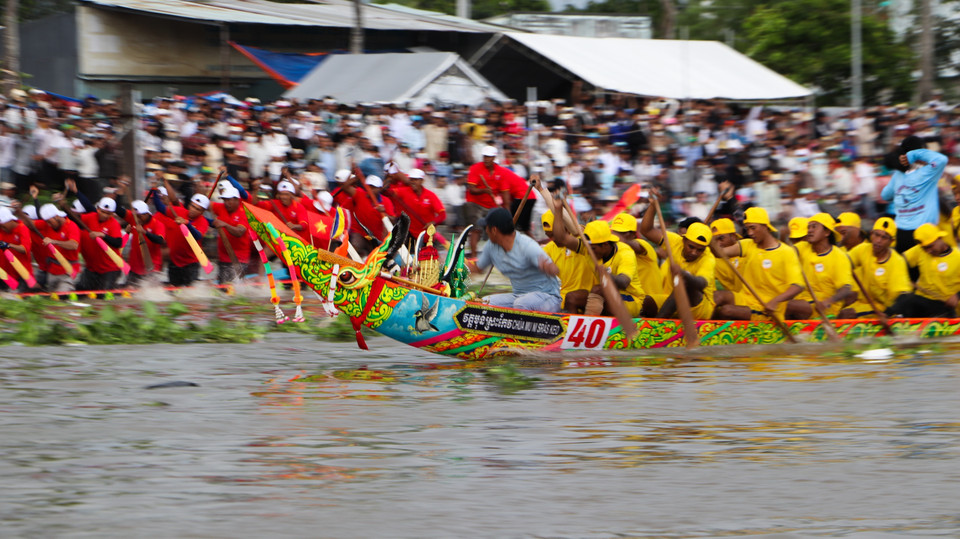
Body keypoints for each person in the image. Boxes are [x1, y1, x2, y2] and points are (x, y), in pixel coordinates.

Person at [714, 207, 805, 320]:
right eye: (747, 229)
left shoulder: (786, 252)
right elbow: (720, 253)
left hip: (766, 307)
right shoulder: (748, 244)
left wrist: (775, 301)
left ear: (765, 226)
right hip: (745, 298)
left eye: (753, 228)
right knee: (717, 296)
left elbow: (798, 286)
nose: (750, 233)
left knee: (726, 311)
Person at [466, 207, 561, 312]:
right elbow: (477, 269)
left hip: (548, 298)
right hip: (519, 296)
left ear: (494, 230)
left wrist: (549, 267)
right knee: (484, 302)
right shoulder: (491, 247)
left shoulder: (527, 246)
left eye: (486, 228)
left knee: (521, 304)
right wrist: (457, 267)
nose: (486, 231)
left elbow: (554, 269)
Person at [639, 204, 716, 320]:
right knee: (646, 302)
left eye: (700, 250)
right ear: (684, 239)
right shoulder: (675, 241)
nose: (694, 252)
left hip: (699, 309)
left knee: (684, 284)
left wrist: (683, 274)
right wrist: (653, 205)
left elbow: (701, 283)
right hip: (672, 302)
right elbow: (646, 230)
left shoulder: (708, 258)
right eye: (691, 247)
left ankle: (659, 324)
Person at [880, 137, 947, 252]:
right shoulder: (928, 173)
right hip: (924, 235)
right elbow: (942, 159)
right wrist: (914, 154)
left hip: (901, 233)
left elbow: (885, 195)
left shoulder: (898, 175)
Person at [789, 213, 856, 319]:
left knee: (787, 305)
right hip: (803, 301)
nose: (810, 230)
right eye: (809, 227)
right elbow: (785, 252)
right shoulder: (802, 247)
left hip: (823, 307)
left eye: (814, 227)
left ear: (827, 232)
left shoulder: (839, 256)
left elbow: (846, 288)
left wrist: (828, 302)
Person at [886, 223, 960, 317]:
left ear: (939, 239)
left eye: (930, 246)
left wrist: (957, 296)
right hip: (921, 299)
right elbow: (898, 261)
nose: (928, 251)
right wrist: (902, 279)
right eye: (925, 248)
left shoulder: (957, 257)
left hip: (944, 305)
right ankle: (887, 317)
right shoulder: (920, 250)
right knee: (905, 299)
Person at [581, 218, 650, 317]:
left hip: (632, 299)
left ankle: (589, 325)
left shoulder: (625, 253)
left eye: (593, 249)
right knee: (574, 297)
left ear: (605, 244)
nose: (589, 252)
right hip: (605, 295)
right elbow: (562, 239)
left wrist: (605, 273)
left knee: (598, 290)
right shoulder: (590, 248)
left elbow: (623, 283)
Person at [847, 217, 911, 316]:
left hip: (884, 309)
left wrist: (887, 313)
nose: (878, 240)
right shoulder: (863, 249)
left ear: (891, 241)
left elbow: (903, 296)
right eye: (876, 235)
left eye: (884, 237)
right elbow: (844, 263)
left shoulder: (897, 261)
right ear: (871, 234)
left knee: (847, 315)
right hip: (864, 304)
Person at [150, 183, 211, 287]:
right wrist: (155, 191)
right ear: (189, 204)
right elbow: (160, 208)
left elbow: (197, 236)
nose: (193, 210)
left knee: (189, 293)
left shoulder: (203, 221)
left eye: (198, 209)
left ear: (203, 211)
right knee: (174, 290)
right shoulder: (179, 211)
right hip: (174, 261)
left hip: (190, 263)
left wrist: (187, 224)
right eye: (192, 206)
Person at [539, 208, 593, 313]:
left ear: (566, 228)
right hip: (562, 298)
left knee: (571, 298)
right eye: (549, 236)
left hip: (587, 297)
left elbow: (582, 231)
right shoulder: (550, 248)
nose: (553, 239)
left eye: (554, 234)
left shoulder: (581, 238)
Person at [464, 145, 512, 256]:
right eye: (485, 156)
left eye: (489, 157)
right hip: (475, 203)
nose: (486, 159)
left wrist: (507, 211)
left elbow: (505, 192)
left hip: (492, 204)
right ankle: (474, 256)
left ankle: (501, 253)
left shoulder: (501, 172)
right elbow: (471, 189)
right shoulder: (475, 168)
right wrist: (484, 190)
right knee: (476, 229)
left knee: (497, 229)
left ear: (494, 158)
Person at [72, 195, 123, 291]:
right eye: (102, 212)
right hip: (92, 268)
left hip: (110, 269)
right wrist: (62, 205)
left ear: (112, 214)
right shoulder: (90, 217)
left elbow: (118, 242)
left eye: (108, 214)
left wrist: (103, 235)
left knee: (104, 295)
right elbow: (74, 218)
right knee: (80, 291)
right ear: (98, 209)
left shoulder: (114, 224)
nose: (105, 215)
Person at [610, 212, 663, 299]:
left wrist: (610, 237)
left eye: (622, 233)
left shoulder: (643, 245)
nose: (617, 236)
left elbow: (634, 245)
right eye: (615, 231)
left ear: (633, 234)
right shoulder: (616, 250)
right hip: (632, 299)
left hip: (652, 300)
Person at [210, 179, 252, 283]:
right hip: (223, 256)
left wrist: (224, 225)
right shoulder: (221, 207)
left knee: (235, 288)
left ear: (237, 199)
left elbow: (239, 232)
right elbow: (205, 205)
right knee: (223, 287)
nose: (226, 203)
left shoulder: (243, 212)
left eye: (229, 200)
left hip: (239, 258)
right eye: (224, 200)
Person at [121, 199, 165, 287]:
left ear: (147, 214)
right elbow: (120, 211)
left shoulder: (157, 224)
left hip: (151, 267)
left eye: (140, 216)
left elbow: (160, 240)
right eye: (136, 216)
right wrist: (119, 193)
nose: (137, 219)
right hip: (134, 267)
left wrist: (145, 232)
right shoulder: (134, 220)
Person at [0, 206, 33, 291]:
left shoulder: (22, 228)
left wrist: (8, 245)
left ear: (10, 220)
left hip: (21, 274)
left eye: (3, 226)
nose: (2, 228)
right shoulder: (1, 230)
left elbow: (24, 249)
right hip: (5, 274)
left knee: (18, 298)